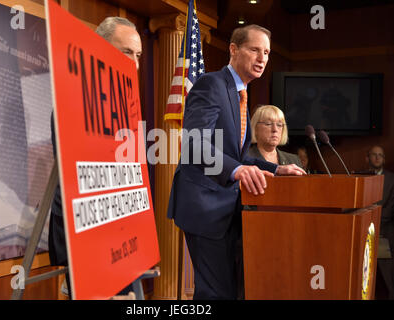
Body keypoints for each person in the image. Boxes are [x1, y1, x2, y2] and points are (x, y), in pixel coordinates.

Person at [167, 24, 305, 300]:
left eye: (266, 52)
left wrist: (277, 168)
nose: (262, 58)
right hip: (204, 205)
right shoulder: (212, 84)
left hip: (227, 208)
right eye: (254, 49)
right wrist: (237, 169)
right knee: (215, 294)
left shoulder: (240, 92)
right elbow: (194, 144)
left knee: (226, 291)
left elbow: (238, 156)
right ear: (233, 49)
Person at [48, 16, 142, 299]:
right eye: (127, 52)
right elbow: (78, 175)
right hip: (86, 230)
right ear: (98, 47)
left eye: (138, 55)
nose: (134, 63)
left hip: (121, 234)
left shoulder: (126, 106)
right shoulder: (74, 96)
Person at [366, 146, 394, 299]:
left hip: (384, 233)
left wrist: (370, 221)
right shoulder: (359, 176)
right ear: (367, 158)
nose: (377, 158)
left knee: (388, 280)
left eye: (380, 155)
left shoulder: (392, 179)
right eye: (374, 155)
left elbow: (389, 210)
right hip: (362, 232)